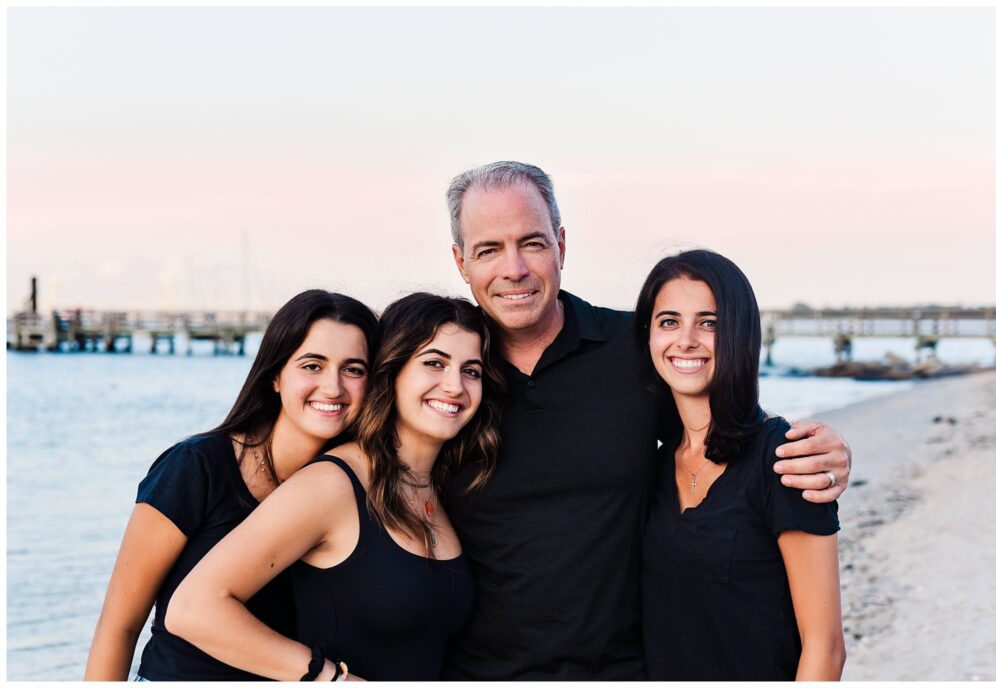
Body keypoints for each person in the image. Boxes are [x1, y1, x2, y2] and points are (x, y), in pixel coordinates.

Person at [440, 161, 853, 679]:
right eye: (488, 250)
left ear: (561, 245)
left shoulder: (633, 349)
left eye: (533, 243)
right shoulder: (446, 378)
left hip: (628, 670)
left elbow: (721, 424)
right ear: (461, 262)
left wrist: (823, 447)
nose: (515, 268)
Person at [165, 293, 504, 681]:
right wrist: (330, 679)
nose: (454, 386)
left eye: (472, 371)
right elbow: (193, 608)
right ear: (391, 370)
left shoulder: (442, 487)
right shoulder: (332, 484)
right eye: (434, 363)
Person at [84, 290, 378, 681]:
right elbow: (119, 625)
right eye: (312, 366)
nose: (333, 387)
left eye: (353, 369)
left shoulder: (360, 489)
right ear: (275, 375)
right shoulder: (195, 468)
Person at [636, 250, 844, 680]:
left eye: (709, 323)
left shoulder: (786, 460)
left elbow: (825, 650)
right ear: (649, 336)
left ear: (740, 335)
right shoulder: (652, 465)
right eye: (669, 321)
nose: (686, 339)